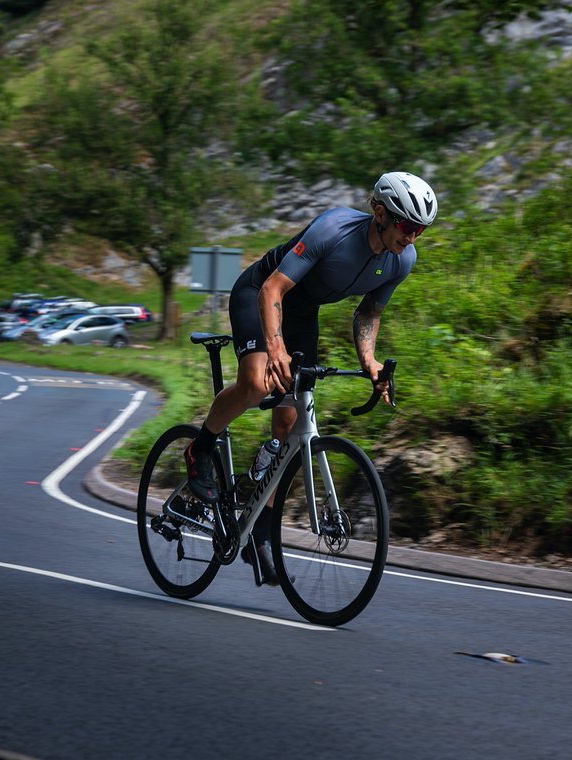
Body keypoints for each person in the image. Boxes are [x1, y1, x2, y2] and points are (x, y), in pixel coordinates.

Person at [184, 171, 438, 585]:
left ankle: (259, 535)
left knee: (289, 424)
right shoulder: (332, 228)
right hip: (259, 292)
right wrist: (275, 346)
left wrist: (369, 361)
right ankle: (200, 450)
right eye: (407, 226)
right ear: (379, 212)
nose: (411, 238)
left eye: (420, 231)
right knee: (258, 381)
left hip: (303, 312)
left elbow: (368, 313)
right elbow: (271, 290)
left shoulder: (402, 260)